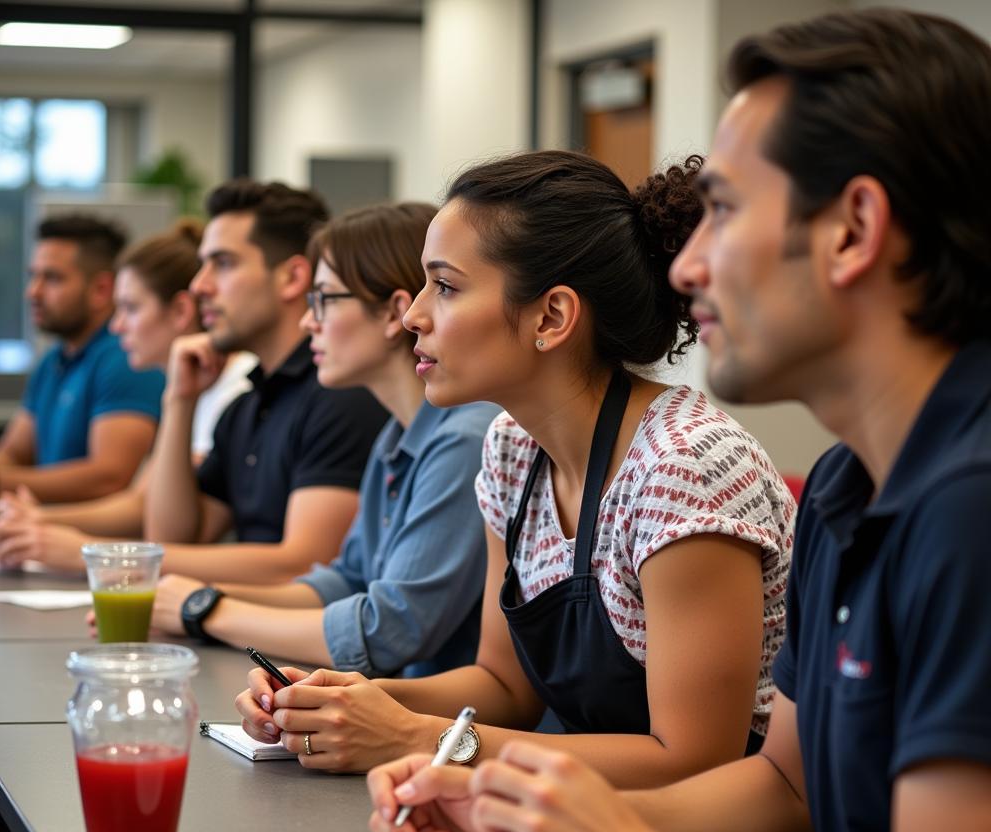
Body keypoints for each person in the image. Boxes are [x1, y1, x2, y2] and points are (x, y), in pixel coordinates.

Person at [366, 9, 991, 832]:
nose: (688, 266)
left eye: (727, 213)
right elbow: (781, 792)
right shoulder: (846, 484)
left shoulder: (969, 509)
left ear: (853, 229)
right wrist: (518, 825)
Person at [236, 151, 795, 784]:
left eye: (444, 287)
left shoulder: (683, 468)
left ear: (551, 317)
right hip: (585, 820)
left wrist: (420, 737)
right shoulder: (512, 450)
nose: (414, 315)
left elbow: (694, 760)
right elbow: (504, 685)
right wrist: (341, 698)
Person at [150, 203, 497, 679]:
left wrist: (206, 610)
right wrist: (196, 598)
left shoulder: (466, 437)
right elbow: (345, 579)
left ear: (394, 313)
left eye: (324, 300)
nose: (307, 322)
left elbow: (391, 628)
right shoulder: (396, 436)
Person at [0, 220, 256, 571]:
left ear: (181, 311)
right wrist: (39, 519)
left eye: (130, 308)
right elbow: (141, 501)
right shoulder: (192, 389)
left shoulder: (237, 389)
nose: (117, 326)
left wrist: (74, 544)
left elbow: (165, 527)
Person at [0, 214, 165, 503]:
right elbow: (13, 453)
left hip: (94, 544)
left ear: (101, 289)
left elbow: (108, 477)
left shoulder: (126, 358)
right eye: (33, 276)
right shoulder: (53, 361)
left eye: (52, 278)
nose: (33, 292)